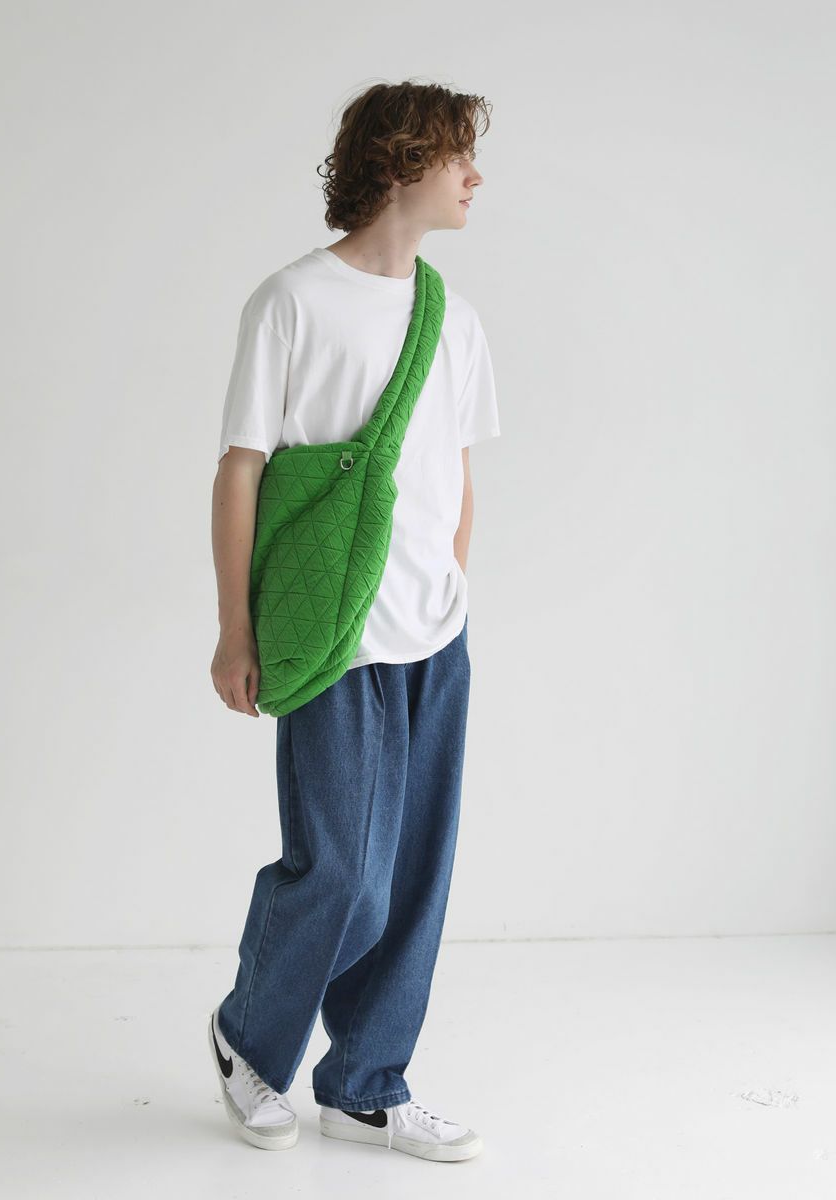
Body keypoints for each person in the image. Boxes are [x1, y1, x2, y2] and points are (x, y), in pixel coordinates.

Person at [207, 79, 500, 1161]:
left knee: (415, 878)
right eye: (459, 156)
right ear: (402, 160)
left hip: (436, 634)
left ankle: (367, 1084)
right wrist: (235, 630)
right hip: (334, 636)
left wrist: (451, 587)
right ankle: (248, 1038)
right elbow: (241, 470)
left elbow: (454, 473)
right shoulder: (292, 301)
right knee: (343, 877)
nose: (475, 177)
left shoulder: (454, 318)